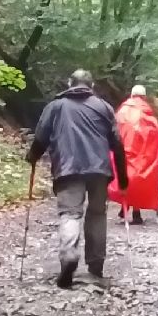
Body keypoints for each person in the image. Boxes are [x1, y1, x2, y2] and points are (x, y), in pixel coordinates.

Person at [27, 70, 128, 288]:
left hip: (67, 167)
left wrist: (32, 156)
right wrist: (123, 177)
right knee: (97, 214)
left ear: (69, 83)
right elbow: (117, 145)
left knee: (70, 214)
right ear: (91, 86)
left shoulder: (55, 107)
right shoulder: (104, 107)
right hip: (99, 170)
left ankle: (69, 255)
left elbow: (41, 137)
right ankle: (96, 266)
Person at [109, 85, 158, 225]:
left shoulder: (122, 111)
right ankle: (135, 213)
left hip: (124, 151)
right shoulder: (147, 114)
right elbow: (154, 133)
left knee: (123, 177)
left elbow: (115, 130)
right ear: (144, 97)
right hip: (141, 153)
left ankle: (124, 206)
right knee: (138, 179)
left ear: (131, 95)